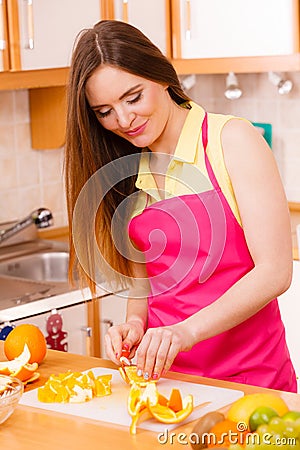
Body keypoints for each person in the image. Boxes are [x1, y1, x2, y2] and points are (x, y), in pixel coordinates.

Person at [65, 19, 297, 392]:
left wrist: (185, 332)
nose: (124, 120)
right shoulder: (126, 169)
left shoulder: (232, 141)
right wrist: (135, 325)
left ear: (160, 75)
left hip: (252, 384)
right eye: (104, 112)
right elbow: (146, 285)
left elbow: (275, 272)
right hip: (166, 385)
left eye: (133, 97)